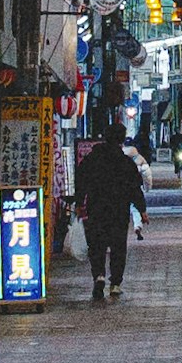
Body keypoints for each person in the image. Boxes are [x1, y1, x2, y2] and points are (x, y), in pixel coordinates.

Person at [73, 125, 146, 301]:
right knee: (118, 247)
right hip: (119, 210)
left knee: (97, 244)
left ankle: (98, 275)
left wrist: (79, 202)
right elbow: (134, 188)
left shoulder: (92, 159)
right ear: (122, 139)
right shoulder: (126, 162)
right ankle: (115, 284)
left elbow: (81, 181)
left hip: (96, 208)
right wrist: (142, 210)